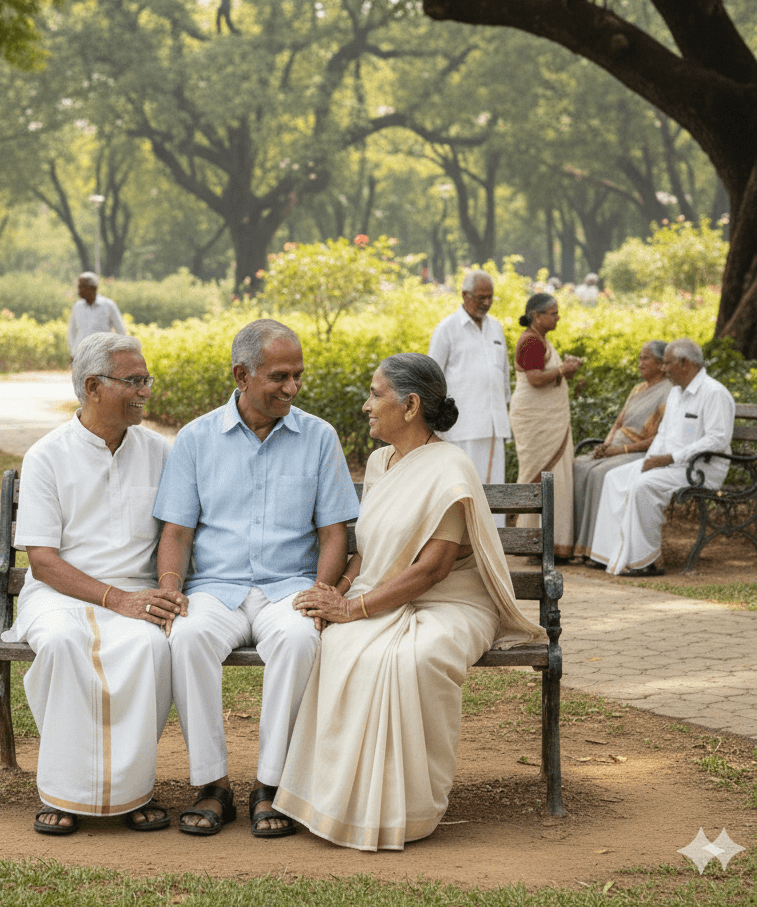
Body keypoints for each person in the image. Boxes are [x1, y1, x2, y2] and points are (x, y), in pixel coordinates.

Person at [274, 354, 545, 850]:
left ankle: (409, 808)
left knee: (410, 659)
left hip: (453, 604)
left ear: (411, 405)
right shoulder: (381, 462)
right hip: (383, 597)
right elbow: (370, 550)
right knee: (338, 648)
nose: (365, 405)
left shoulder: (450, 468)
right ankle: (339, 802)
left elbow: (432, 569)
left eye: (376, 394)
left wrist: (355, 609)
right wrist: (341, 587)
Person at [153, 319, 360, 838]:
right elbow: (176, 531)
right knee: (190, 635)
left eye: (298, 376)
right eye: (279, 377)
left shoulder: (318, 436)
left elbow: (336, 533)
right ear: (242, 375)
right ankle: (213, 785)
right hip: (215, 590)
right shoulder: (197, 438)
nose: (292, 388)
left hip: (288, 587)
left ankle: (271, 787)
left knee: (296, 638)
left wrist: (320, 590)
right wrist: (172, 589)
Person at [1, 333, 181, 835]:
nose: (145, 390)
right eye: (133, 381)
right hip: (59, 594)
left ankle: (131, 792)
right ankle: (64, 792)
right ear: (93, 386)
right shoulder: (47, 455)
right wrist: (116, 599)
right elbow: (42, 562)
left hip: (136, 593)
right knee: (60, 645)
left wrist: (157, 589)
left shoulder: (158, 452)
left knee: (150, 648)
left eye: (146, 379)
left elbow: (176, 533)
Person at [589, 339, 734, 576]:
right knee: (614, 477)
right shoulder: (676, 393)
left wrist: (669, 458)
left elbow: (717, 440)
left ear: (684, 363)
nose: (663, 369)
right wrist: (652, 459)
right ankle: (607, 554)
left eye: (667, 363)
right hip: (671, 465)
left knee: (644, 485)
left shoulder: (714, 392)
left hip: (700, 470)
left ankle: (646, 561)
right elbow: (664, 433)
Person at [572, 341, 672, 559]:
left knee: (600, 474)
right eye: (639, 358)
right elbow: (618, 423)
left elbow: (659, 438)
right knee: (576, 466)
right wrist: (606, 445)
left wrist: (620, 450)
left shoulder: (669, 392)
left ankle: (594, 548)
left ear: (661, 363)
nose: (640, 363)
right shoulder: (638, 389)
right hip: (615, 448)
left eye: (646, 358)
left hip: (638, 451)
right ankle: (572, 543)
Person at [428, 269, 511, 523]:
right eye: (481, 297)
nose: (486, 303)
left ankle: (492, 552)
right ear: (465, 295)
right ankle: (462, 557)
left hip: (494, 427)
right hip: (461, 429)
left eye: (490, 297)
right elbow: (433, 378)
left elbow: (505, 376)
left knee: (493, 494)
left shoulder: (495, 327)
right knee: (461, 493)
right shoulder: (447, 329)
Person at [508, 294, 582, 558]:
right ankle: (532, 541)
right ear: (536, 316)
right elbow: (536, 379)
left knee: (555, 473)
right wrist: (563, 370)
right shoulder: (531, 342)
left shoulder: (540, 341)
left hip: (546, 417)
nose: (557, 317)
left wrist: (566, 372)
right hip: (535, 418)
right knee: (538, 473)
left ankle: (549, 543)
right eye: (552, 312)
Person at [66, 272, 126, 359]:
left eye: (82, 286)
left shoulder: (108, 305)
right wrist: (73, 352)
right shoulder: (77, 307)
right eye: (79, 286)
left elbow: (121, 331)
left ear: (93, 288)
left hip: (103, 357)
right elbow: (72, 332)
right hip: (81, 356)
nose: (79, 290)